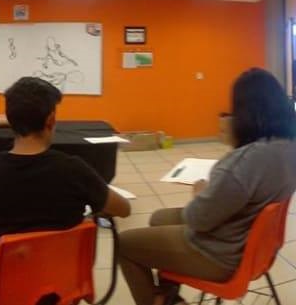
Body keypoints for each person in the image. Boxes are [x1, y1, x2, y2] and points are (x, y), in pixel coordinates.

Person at [119, 68, 296, 305]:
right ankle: (168, 296)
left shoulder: (245, 161)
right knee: (159, 218)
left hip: (221, 254)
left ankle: (160, 300)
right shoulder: (288, 148)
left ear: (244, 114)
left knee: (125, 244)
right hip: (254, 245)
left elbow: (198, 219)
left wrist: (200, 192)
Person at [0, 76, 131, 300]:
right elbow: (124, 209)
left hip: (0, 288)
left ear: (10, 120)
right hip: (58, 285)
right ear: (51, 120)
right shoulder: (74, 170)